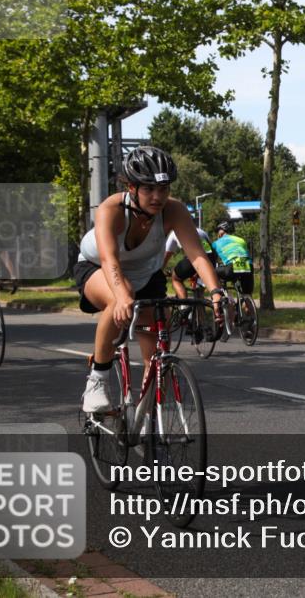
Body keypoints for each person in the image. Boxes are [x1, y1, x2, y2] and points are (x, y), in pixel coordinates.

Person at [74, 146, 226, 413]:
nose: (158, 197)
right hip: (99, 267)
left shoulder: (174, 210)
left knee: (157, 350)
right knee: (122, 296)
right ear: (131, 187)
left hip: (147, 272)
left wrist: (216, 292)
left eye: (164, 189)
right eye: (148, 189)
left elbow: (197, 255)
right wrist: (121, 296)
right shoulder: (111, 209)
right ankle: (97, 381)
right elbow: (110, 260)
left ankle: (149, 422)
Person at [163, 225, 218, 301]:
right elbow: (210, 250)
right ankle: (200, 307)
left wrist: (159, 271)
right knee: (199, 290)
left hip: (195, 258)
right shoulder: (202, 231)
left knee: (176, 279)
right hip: (210, 260)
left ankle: (184, 305)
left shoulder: (174, 233)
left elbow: (165, 258)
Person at [212, 220, 254, 297]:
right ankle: (249, 305)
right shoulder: (241, 240)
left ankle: (224, 297)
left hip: (232, 266)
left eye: (218, 232)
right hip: (248, 266)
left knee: (212, 272)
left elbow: (212, 258)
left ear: (221, 232)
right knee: (247, 294)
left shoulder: (216, 243)